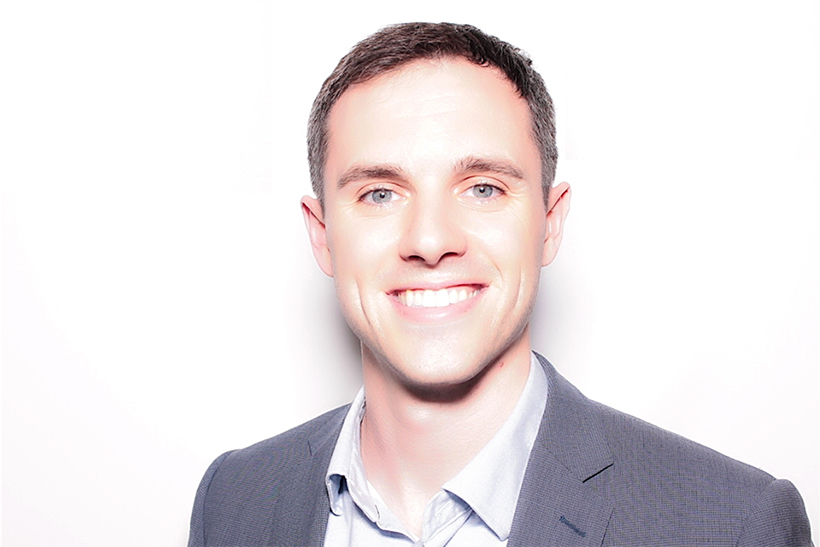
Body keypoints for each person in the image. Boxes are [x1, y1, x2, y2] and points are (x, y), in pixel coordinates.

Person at [187, 22, 812, 547]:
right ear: (322, 235)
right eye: (380, 193)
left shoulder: (735, 525)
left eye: (483, 188)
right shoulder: (233, 501)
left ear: (549, 222)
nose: (430, 239)